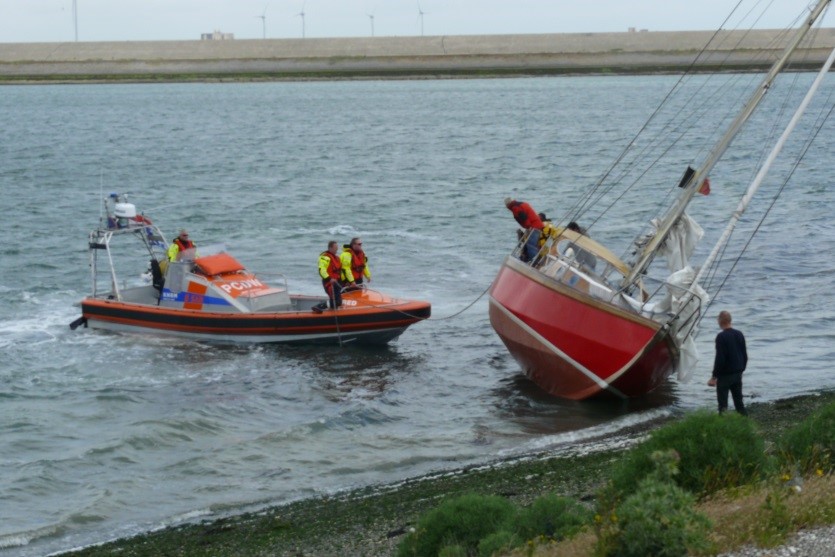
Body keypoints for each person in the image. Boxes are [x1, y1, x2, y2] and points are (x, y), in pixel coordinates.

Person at [709, 311, 748, 415]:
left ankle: (723, 427)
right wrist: (742, 369)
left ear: (720, 321)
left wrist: (714, 377)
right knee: (739, 402)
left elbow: (720, 358)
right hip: (737, 373)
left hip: (725, 375)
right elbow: (744, 355)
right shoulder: (739, 334)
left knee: (723, 405)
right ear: (730, 320)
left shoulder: (721, 337)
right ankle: (745, 423)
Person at [505, 198, 544, 262]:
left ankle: (535, 262)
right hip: (537, 224)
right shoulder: (521, 204)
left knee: (530, 245)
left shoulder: (515, 208)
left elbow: (523, 217)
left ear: (507, 205)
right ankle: (535, 260)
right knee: (533, 244)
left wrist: (528, 227)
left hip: (534, 226)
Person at [317, 240, 343, 311]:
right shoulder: (325, 258)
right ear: (330, 248)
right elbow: (322, 270)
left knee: (338, 301)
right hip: (329, 282)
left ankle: (331, 310)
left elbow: (340, 271)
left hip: (337, 282)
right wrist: (329, 279)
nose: (337, 249)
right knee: (335, 300)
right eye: (335, 248)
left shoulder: (337, 258)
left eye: (337, 247)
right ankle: (320, 306)